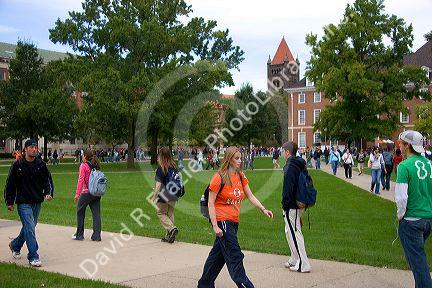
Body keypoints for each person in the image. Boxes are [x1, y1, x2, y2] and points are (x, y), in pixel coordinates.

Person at [197, 147, 273, 288]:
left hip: (233, 222)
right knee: (234, 255)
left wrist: (263, 209)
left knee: (218, 256)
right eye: (236, 158)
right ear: (229, 159)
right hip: (222, 221)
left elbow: (250, 195)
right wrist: (215, 225)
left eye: (240, 157)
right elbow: (210, 203)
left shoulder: (240, 176)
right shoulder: (218, 177)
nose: (240, 160)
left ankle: (204, 284)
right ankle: (245, 285)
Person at [4, 139, 53, 267]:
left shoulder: (40, 164)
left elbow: (47, 180)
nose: (33, 149)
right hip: (23, 202)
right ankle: (33, 256)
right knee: (30, 228)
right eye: (31, 147)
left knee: (29, 227)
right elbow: (10, 184)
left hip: (37, 201)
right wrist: (10, 201)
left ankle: (15, 245)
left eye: (35, 147)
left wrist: (48, 193)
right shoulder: (17, 165)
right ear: (25, 149)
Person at [395, 130, 432, 287]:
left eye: (402, 143)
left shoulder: (404, 166)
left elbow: (402, 198)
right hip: (428, 218)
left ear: (407, 145)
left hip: (411, 220)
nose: (400, 146)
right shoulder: (429, 164)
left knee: (419, 264)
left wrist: (400, 215)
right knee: (417, 259)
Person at [281, 141, 311, 273]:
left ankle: (303, 263)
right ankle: (294, 258)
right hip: (298, 203)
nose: (282, 153)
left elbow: (288, 189)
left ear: (287, 152)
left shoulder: (290, 166)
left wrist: (285, 205)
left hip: (291, 205)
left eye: (283, 151)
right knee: (290, 231)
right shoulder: (298, 164)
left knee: (295, 232)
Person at [152, 147, 181, 243]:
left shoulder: (161, 168)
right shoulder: (174, 166)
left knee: (161, 213)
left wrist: (154, 196)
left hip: (164, 193)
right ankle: (168, 235)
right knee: (170, 213)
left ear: (161, 156)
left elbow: (158, 185)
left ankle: (171, 228)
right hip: (175, 192)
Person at [73, 150, 102, 241]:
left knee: (80, 212)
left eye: (82, 155)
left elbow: (81, 180)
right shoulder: (96, 165)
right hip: (96, 193)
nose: (82, 157)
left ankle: (79, 234)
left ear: (85, 156)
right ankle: (97, 236)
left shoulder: (83, 165)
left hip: (86, 193)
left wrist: (77, 194)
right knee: (96, 214)